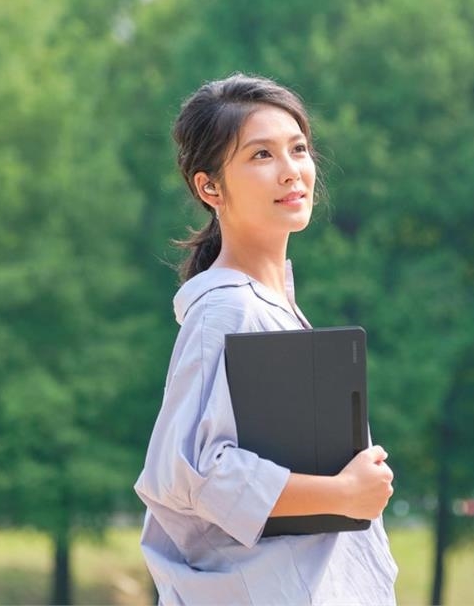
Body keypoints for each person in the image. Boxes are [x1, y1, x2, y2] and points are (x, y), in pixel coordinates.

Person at [133, 73, 399, 605]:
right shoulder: (228, 308)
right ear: (209, 187)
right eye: (260, 156)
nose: (291, 171)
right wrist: (344, 493)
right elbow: (191, 470)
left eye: (298, 149)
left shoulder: (272, 305)